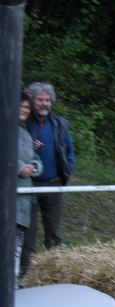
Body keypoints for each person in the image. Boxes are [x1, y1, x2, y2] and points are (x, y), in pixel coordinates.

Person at [22, 82, 75, 272]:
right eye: (40, 99)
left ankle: (53, 274)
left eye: (47, 100)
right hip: (29, 185)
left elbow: (69, 152)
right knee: (27, 233)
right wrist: (30, 147)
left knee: (53, 233)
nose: (44, 103)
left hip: (54, 185)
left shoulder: (59, 124)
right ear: (32, 101)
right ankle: (26, 274)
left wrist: (66, 171)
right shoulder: (23, 123)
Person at [16, 92, 43, 288]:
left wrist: (33, 166)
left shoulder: (25, 134)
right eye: (21, 106)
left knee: (16, 247)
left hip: (24, 201)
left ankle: (12, 286)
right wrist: (18, 167)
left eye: (27, 107)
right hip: (9, 199)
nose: (25, 110)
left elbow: (37, 160)